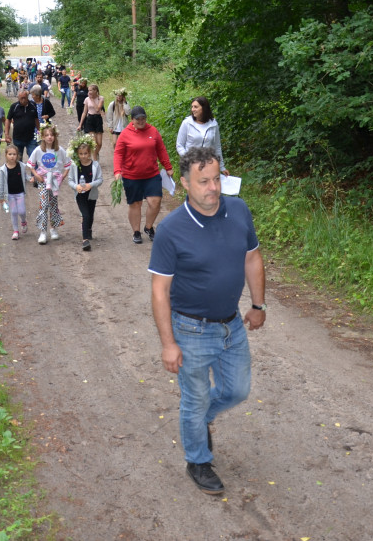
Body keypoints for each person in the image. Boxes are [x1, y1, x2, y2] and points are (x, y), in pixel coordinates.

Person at [147, 146, 266, 495]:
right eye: (203, 181)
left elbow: (253, 258)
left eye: (216, 178)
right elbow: (159, 292)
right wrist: (168, 344)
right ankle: (198, 459)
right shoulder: (172, 230)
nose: (212, 187)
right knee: (195, 399)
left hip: (232, 325)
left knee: (237, 390)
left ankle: (199, 420)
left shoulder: (239, 210)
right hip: (190, 329)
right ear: (185, 184)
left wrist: (258, 305)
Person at [113, 106, 173, 244]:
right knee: (136, 204)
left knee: (155, 201)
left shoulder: (153, 131)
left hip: (151, 174)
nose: (141, 121)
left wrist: (168, 166)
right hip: (131, 175)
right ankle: (136, 231)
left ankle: (148, 227)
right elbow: (118, 153)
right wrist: (117, 171)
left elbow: (161, 149)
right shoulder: (125, 134)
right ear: (132, 120)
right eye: (137, 119)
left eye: (143, 118)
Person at [27, 124, 70, 245]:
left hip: (55, 181)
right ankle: (42, 231)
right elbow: (30, 164)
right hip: (43, 181)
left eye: (51, 135)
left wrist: (62, 177)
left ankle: (53, 228)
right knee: (43, 204)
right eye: (47, 135)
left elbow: (67, 165)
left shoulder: (60, 150)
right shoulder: (38, 150)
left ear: (55, 136)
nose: (49, 137)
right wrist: (36, 175)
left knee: (53, 204)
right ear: (43, 137)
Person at [67, 135, 103, 251]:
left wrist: (90, 185)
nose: (83, 156)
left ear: (90, 153)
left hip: (92, 194)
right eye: (81, 154)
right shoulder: (74, 165)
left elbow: (100, 179)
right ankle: (85, 240)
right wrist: (76, 186)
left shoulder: (95, 165)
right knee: (85, 215)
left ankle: (88, 230)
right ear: (78, 154)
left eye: (86, 153)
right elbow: (70, 180)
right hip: (80, 194)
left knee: (90, 215)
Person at [176, 96, 228, 176]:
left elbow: (217, 146)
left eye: (196, 107)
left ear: (204, 108)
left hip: (208, 165)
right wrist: (189, 159)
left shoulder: (213, 124)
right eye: (192, 107)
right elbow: (179, 145)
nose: (193, 109)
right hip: (191, 166)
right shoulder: (187, 123)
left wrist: (222, 167)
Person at [0, 144, 29, 239]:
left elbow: (25, 176)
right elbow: (1, 184)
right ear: (6, 155)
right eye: (10, 154)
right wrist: (1, 197)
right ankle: (15, 231)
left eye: (14, 154)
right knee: (14, 212)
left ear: (17, 155)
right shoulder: (3, 169)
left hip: (20, 194)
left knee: (22, 211)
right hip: (10, 195)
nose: (12, 156)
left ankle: (23, 221)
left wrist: (31, 178)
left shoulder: (21, 166)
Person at [5, 90, 40, 161]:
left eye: (24, 98)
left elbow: (36, 119)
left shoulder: (33, 105)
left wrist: (39, 131)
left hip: (31, 137)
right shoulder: (14, 106)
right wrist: (6, 133)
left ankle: (34, 172)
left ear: (27, 97)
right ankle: (19, 172)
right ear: (18, 98)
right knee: (18, 159)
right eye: (21, 98)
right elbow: (8, 120)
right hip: (18, 138)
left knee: (33, 158)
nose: (23, 100)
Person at [77, 83, 106, 160]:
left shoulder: (100, 98)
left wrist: (92, 100)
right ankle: (95, 160)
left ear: (95, 91)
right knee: (93, 142)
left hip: (98, 119)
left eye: (91, 90)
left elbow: (97, 109)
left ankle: (96, 153)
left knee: (99, 143)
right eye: (88, 90)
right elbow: (84, 112)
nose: (89, 92)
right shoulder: (86, 99)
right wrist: (80, 124)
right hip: (90, 119)